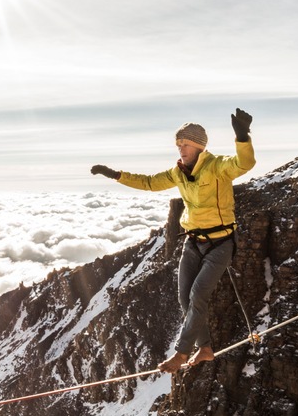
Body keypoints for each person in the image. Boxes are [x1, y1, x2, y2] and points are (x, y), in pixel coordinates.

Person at [91, 109, 254, 373]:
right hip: (192, 241)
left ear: (199, 146)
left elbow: (243, 164)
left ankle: (181, 353)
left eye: (185, 144)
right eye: (178, 145)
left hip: (221, 242)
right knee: (184, 298)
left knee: (198, 294)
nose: (180, 149)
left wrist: (242, 136)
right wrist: (115, 175)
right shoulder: (178, 173)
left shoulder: (217, 166)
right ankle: (206, 348)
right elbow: (148, 182)